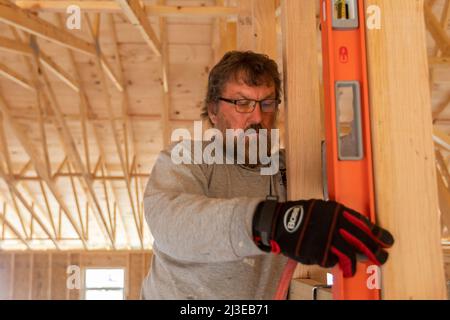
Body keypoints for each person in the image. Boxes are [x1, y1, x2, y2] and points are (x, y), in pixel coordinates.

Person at [140, 51, 394, 300]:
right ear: (214, 111)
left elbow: (355, 157)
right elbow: (172, 225)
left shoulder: (288, 169)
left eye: (267, 103)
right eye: (242, 103)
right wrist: (271, 222)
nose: (258, 116)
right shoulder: (187, 157)